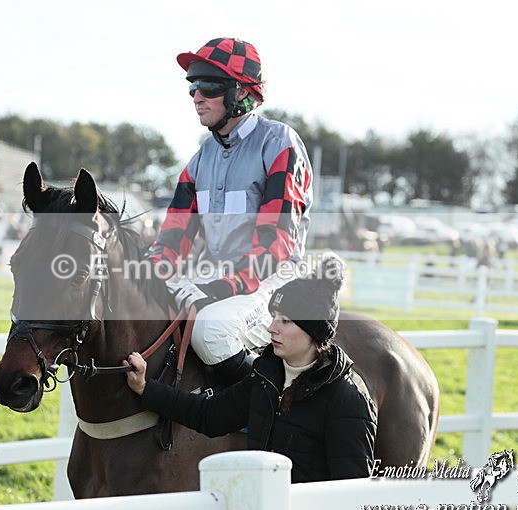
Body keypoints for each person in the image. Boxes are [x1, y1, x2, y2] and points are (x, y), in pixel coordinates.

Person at [145, 37, 313, 384]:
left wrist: (221, 287)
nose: (196, 96)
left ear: (240, 92)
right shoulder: (199, 159)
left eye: (207, 86)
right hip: (220, 276)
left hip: (278, 279)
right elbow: (173, 238)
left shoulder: (280, 143)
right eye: (192, 86)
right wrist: (146, 276)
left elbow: (276, 245)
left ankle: (270, 419)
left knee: (210, 332)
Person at [125, 254, 377, 483]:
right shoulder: (267, 376)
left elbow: (351, 499)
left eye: (285, 321)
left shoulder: (348, 399)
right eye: (274, 317)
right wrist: (146, 388)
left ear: (314, 332)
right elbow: (208, 415)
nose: (271, 328)